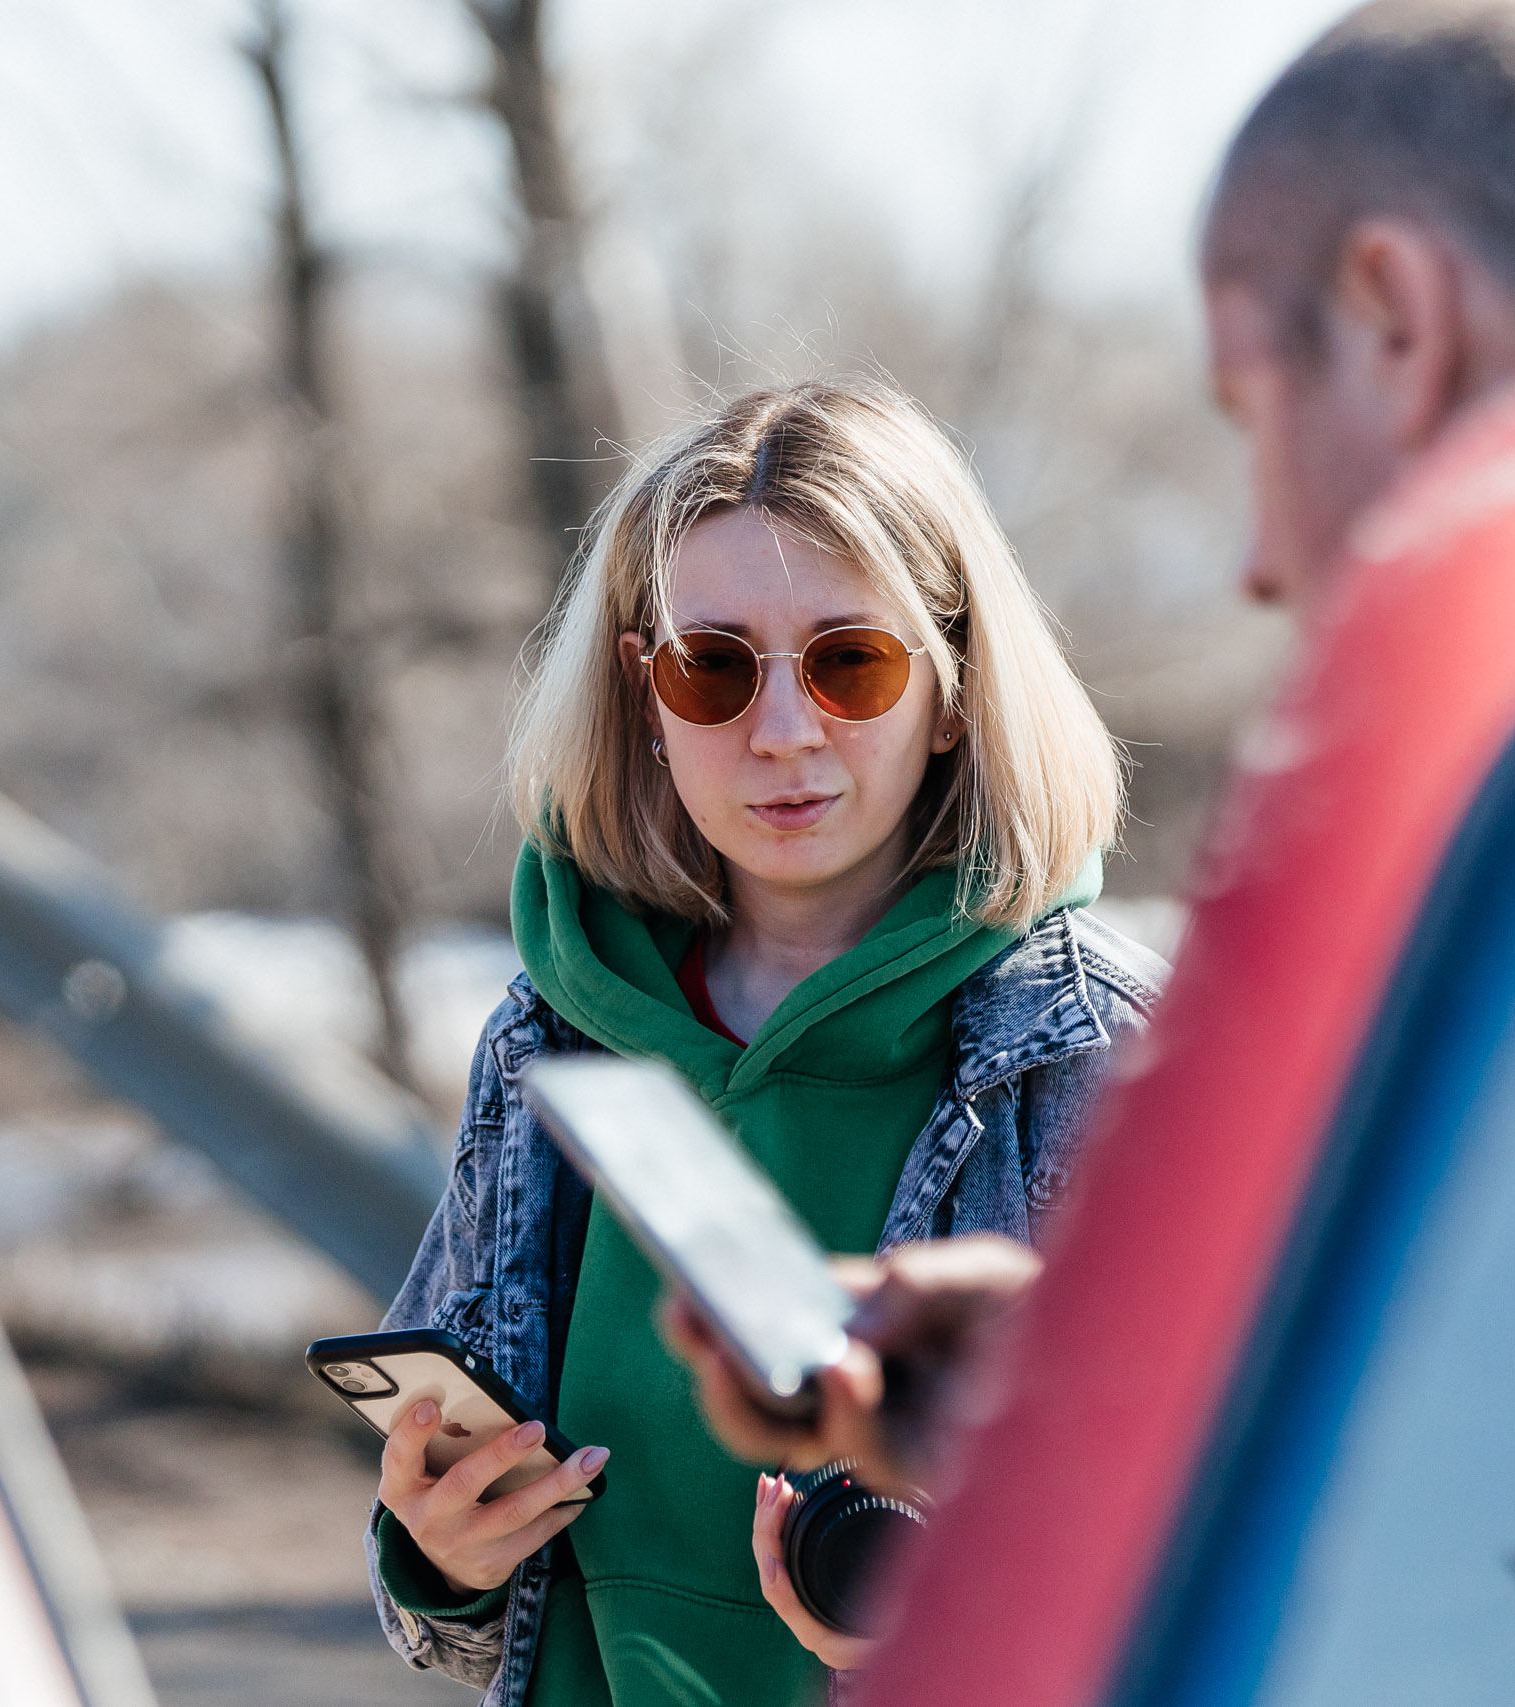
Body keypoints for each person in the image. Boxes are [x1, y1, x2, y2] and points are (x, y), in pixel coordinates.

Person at [665, 0, 1515, 1497]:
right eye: (712, 671)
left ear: (1398, 321)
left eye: (1250, 406)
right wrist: (1064, 1376)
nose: (1259, 559)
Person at [365, 378, 1166, 1704]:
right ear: (645, 693)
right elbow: (453, 1612)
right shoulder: (548, 1041)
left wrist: (940, 1638)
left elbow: (1220, 1574)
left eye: (853, 662)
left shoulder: (1099, 1055)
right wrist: (439, 1562)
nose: (783, 731)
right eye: (715, 666)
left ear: (956, 685)